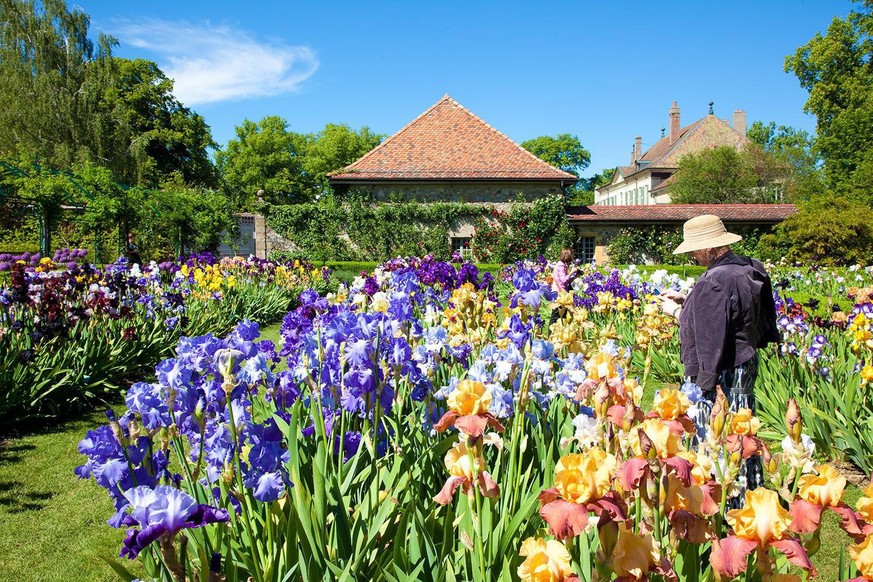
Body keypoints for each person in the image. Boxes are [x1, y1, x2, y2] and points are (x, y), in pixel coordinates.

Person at [660, 214, 779, 494]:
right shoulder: (750, 268)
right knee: (743, 427)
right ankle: (751, 491)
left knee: (715, 432)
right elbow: (736, 311)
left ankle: (721, 498)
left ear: (708, 248)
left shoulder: (715, 280)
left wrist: (677, 312)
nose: (693, 256)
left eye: (695, 250)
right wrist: (689, 299)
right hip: (744, 359)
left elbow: (711, 334)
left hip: (720, 368)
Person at [549, 247, 578, 326]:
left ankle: (560, 332)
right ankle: (551, 335)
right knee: (556, 316)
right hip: (559, 294)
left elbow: (566, 282)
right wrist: (572, 272)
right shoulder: (561, 266)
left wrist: (575, 276)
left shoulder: (562, 265)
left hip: (562, 293)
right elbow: (564, 280)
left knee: (563, 315)